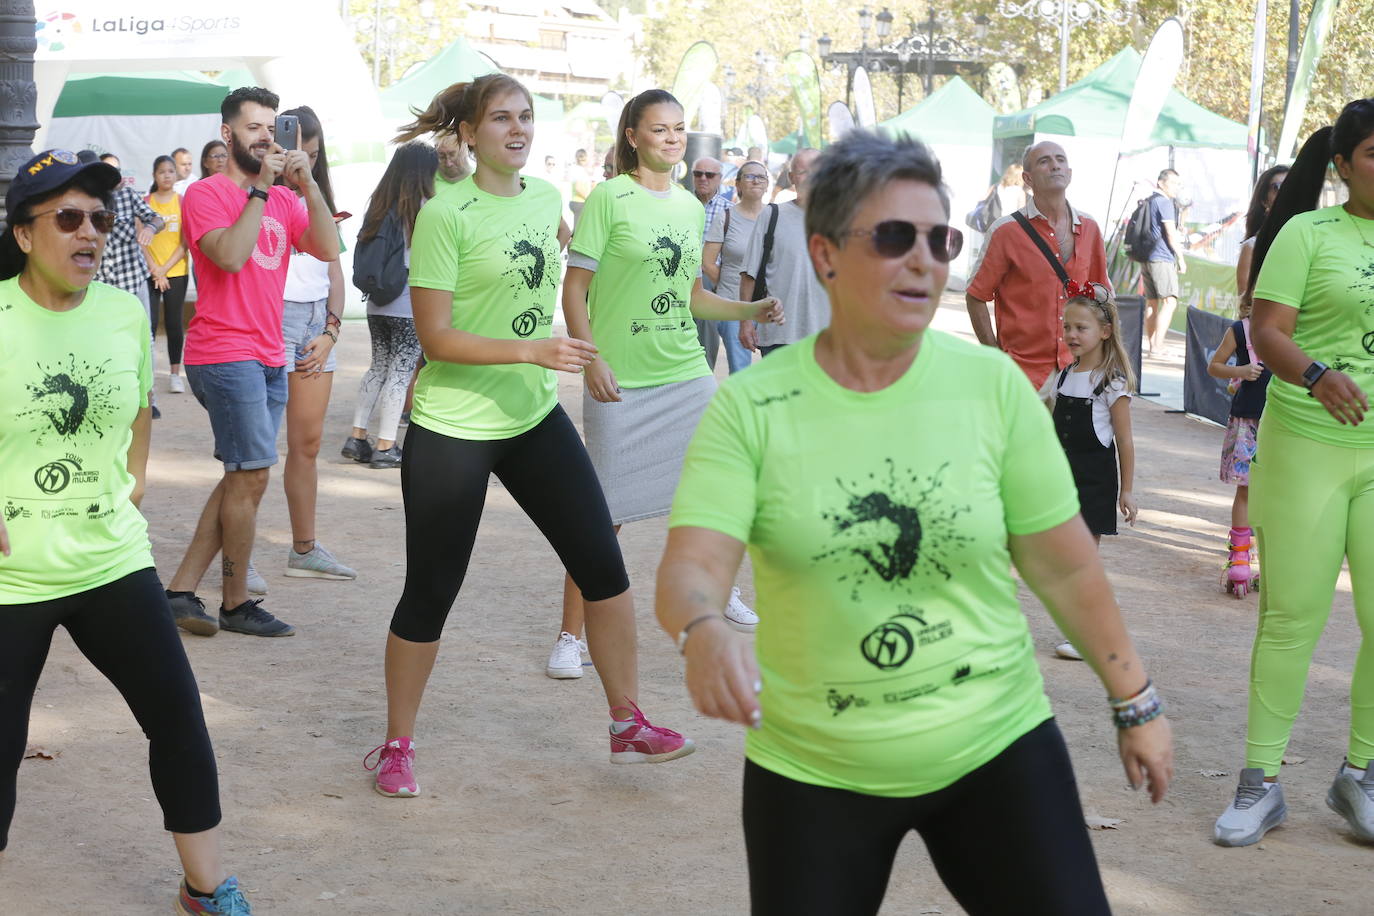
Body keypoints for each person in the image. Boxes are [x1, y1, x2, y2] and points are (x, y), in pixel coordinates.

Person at [656, 131, 1173, 916]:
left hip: (995, 744)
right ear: (825, 255)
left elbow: (1066, 566)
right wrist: (702, 628)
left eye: (940, 239)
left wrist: (1135, 700)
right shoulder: (751, 406)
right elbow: (692, 565)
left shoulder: (992, 389)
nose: (924, 259)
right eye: (895, 237)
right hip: (814, 767)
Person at [364, 76, 696, 798]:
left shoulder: (548, 201)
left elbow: (590, 271)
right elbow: (437, 337)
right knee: (431, 591)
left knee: (604, 567)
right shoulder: (444, 215)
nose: (518, 129)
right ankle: (395, 744)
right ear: (471, 133)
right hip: (455, 426)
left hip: (532, 417)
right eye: (502, 119)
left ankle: (626, 722)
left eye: (526, 118)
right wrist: (534, 349)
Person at [0, 149, 254, 914]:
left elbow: (137, 412)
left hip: (111, 562)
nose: (89, 233)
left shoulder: (120, 310)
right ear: (22, 235)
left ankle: (206, 889)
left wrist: (131, 487)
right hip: (13, 579)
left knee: (177, 715)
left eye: (101, 220)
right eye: (68, 218)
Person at [551, 88, 782, 679]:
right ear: (633, 136)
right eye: (660, 129)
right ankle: (569, 636)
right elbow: (573, 288)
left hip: (685, 374)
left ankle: (719, 589)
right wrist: (590, 356)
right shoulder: (608, 197)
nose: (673, 138)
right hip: (620, 381)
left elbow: (693, 297)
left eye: (680, 128)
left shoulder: (687, 206)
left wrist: (749, 311)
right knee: (602, 515)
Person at [1213, 98, 1374, 847]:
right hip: (1307, 444)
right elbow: (1265, 331)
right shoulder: (1307, 233)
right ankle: (1260, 785)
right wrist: (1317, 376)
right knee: (1291, 620)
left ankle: (1361, 776)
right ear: (1342, 165)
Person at [163, 86, 340, 638]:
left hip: (268, 353)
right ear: (228, 134)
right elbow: (232, 256)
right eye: (253, 128)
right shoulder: (205, 194)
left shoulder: (287, 198)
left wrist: (307, 186)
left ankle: (181, 590)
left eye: (271, 127)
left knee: (244, 474)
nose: (265, 137)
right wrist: (262, 188)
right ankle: (235, 603)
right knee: (252, 473)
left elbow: (330, 249)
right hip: (223, 351)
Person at [274, 105, 356, 583]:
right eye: (296, 142)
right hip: (270, 317)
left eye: (313, 147)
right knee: (254, 451)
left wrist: (330, 331)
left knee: (306, 443)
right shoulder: (257, 190)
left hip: (315, 323)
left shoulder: (319, 196)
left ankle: (303, 549)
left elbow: (334, 271)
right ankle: (235, 563)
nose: (303, 153)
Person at [965, 141, 1109, 390]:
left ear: (1070, 173)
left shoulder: (1090, 228)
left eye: (1060, 159)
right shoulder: (1005, 232)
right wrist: (994, 357)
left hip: (1079, 372)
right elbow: (976, 295)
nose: (1055, 166)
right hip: (1022, 374)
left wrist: (1107, 359)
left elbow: (1103, 297)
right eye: (1044, 161)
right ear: (1027, 178)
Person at [342, 141, 436, 468]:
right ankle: (385, 445)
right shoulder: (427, 206)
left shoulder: (379, 203)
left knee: (378, 366)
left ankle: (357, 437)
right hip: (408, 304)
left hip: (377, 302)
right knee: (401, 369)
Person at [1044, 283, 1138, 545]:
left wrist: (1127, 490)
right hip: (1060, 480)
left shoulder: (1112, 383)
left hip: (1093, 484)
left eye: (1081, 328)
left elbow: (1125, 441)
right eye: (1067, 327)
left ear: (1105, 331)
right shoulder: (1063, 377)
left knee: (1082, 553)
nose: (1071, 334)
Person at [91, 150, 164, 417]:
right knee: (104, 339)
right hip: (101, 284)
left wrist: (149, 228)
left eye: (116, 171)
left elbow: (156, 218)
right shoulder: (88, 202)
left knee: (145, 339)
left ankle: (149, 398)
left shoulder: (128, 196)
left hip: (133, 281)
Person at [1206, 296, 1270, 598]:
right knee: (1245, 489)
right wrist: (1241, 371)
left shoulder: (1294, 328)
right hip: (1248, 419)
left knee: (1277, 492)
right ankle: (1240, 557)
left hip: (1283, 421)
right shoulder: (1240, 330)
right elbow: (1214, 365)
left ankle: (1270, 560)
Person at [738, 148, 826, 358]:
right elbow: (749, 275)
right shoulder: (771, 215)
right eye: (803, 172)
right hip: (779, 335)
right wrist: (745, 322)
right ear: (791, 177)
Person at [702, 159, 768, 374]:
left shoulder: (775, 216)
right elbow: (707, 262)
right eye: (749, 176)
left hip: (769, 305)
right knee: (741, 371)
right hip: (733, 305)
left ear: (767, 184)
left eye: (761, 177)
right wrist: (728, 285)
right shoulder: (726, 217)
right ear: (738, 184)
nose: (755, 181)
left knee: (773, 369)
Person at [144, 154, 189, 393]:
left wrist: (164, 270)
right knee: (148, 325)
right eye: (162, 172)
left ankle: (174, 374)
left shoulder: (182, 201)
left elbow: (185, 243)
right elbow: (140, 240)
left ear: (176, 174)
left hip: (176, 272)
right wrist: (155, 270)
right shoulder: (145, 201)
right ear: (154, 175)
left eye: (171, 171)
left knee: (173, 323)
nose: (167, 176)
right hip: (150, 273)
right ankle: (147, 373)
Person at [690, 154, 734, 369]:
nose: (703, 178)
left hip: (708, 280)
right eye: (698, 174)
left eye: (710, 174)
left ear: (720, 178)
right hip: (676, 277)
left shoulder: (729, 212)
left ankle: (704, 378)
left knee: (706, 333)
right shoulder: (681, 204)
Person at [1141, 168, 1188, 356]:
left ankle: (1153, 345)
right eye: (1174, 183)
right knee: (1169, 302)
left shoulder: (1150, 201)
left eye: (1179, 184)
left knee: (1152, 302)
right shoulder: (1164, 202)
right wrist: (1181, 258)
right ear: (1161, 183)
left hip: (1147, 257)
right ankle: (1157, 346)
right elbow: (1170, 233)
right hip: (1162, 257)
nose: (1177, 188)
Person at [1235, 165, 1290, 300]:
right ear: (1264, 200)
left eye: (1290, 186)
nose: (1284, 192)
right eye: (1277, 187)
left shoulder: (1308, 242)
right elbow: (1245, 303)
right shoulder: (1252, 247)